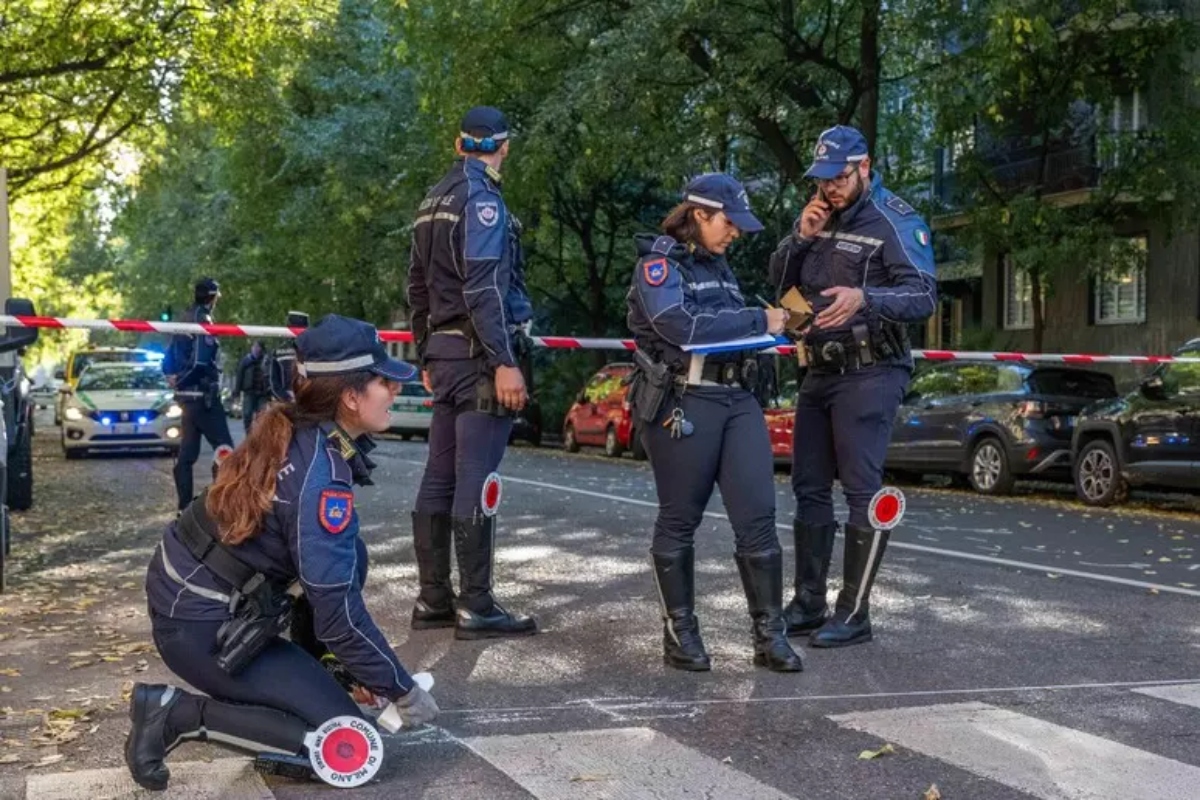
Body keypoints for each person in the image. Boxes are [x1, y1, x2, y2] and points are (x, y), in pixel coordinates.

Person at [126, 314, 439, 791]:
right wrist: (401, 688)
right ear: (351, 397)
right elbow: (339, 614)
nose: (395, 391)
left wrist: (356, 668)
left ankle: (323, 672)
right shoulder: (320, 473)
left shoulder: (302, 427)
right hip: (197, 627)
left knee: (348, 550)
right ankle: (176, 714)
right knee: (344, 742)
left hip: (200, 600)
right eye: (383, 382)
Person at [626, 173, 802, 673]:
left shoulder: (720, 266)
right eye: (729, 222)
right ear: (699, 214)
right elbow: (679, 326)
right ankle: (680, 633)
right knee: (680, 519)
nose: (735, 234)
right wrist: (756, 322)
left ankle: (770, 636)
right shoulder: (659, 265)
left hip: (736, 398)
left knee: (758, 518)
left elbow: (734, 327)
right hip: (685, 399)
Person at [769, 125, 936, 648]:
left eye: (840, 178)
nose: (831, 189)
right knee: (808, 486)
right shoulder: (816, 214)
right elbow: (778, 285)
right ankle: (809, 603)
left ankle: (854, 612)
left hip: (871, 370)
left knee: (860, 490)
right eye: (823, 179)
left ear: (865, 167)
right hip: (818, 367)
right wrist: (800, 238)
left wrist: (866, 297)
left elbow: (924, 296)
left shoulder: (894, 220)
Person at [405, 105, 537, 640]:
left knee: (439, 476)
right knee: (474, 477)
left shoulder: (431, 200)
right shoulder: (482, 201)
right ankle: (476, 606)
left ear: (460, 145)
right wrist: (505, 361)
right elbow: (484, 287)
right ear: (501, 146)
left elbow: (417, 287)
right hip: (480, 358)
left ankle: (434, 600)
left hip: (445, 355)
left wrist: (425, 354)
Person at [163, 278, 235, 512]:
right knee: (226, 451)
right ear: (212, 297)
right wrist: (183, 380)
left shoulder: (183, 317)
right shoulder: (202, 320)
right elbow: (201, 362)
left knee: (187, 455)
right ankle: (221, 506)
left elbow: (168, 358)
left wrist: (174, 378)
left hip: (187, 399)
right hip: (202, 397)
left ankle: (184, 508)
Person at [266, 311, 310, 403]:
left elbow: (274, 382)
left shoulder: (279, 350)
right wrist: (287, 398)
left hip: (303, 398)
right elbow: (274, 381)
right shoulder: (313, 348)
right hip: (292, 399)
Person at [234, 341, 270, 433]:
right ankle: (248, 434)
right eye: (254, 346)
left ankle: (259, 435)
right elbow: (239, 376)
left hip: (262, 393)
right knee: (247, 414)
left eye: (257, 346)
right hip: (249, 392)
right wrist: (236, 392)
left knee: (262, 415)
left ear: (261, 348)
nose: (255, 348)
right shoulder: (246, 360)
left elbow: (270, 375)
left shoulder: (266, 361)